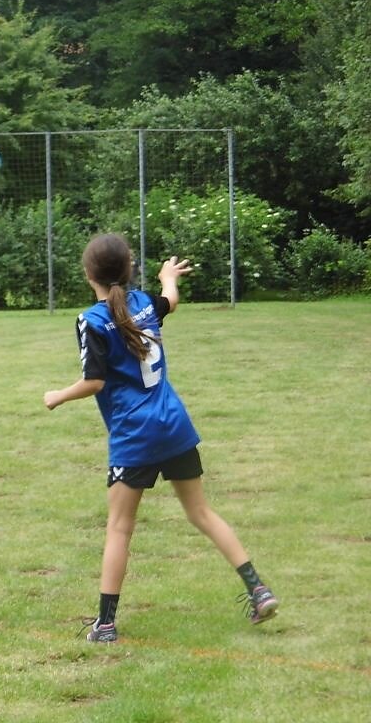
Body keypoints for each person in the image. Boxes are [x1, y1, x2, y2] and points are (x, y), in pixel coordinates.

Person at [43, 233, 278, 643]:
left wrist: (57, 396)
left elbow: (94, 381)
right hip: (174, 423)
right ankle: (258, 589)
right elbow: (170, 299)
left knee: (119, 528)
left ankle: (105, 624)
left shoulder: (92, 320)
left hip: (135, 435)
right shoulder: (143, 304)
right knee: (201, 512)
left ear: (87, 274)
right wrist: (170, 276)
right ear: (130, 268)